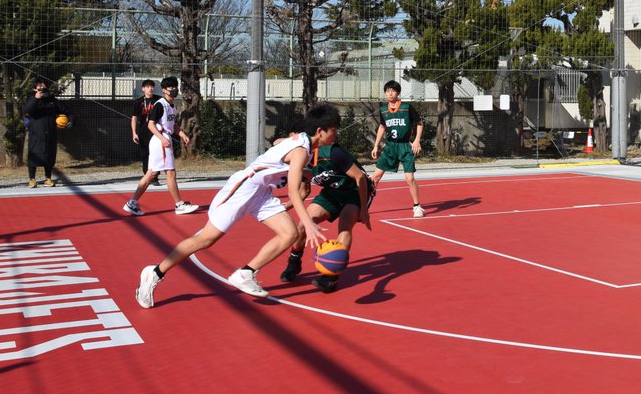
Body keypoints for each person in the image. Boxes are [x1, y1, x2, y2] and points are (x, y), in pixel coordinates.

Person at [135, 103, 336, 308]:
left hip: (261, 193)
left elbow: (279, 143)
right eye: (333, 130)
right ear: (320, 131)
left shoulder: (302, 141)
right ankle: (155, 273)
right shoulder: (301, 150)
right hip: (244, 188)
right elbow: (293, 190)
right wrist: (307, 222)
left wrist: (302, 171)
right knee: (206, 239)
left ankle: (246, 273)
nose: (336, 135)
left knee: (289, 234)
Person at [280, 141, 373, 293]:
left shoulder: (332, 153)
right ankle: (294, 262)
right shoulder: (299, 164)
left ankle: (332, 277)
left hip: (354, 192)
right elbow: (303, 192)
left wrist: (364, 210)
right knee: (303, 225)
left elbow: (360, 177)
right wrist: (284, 207)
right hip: (332, 192)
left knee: (345, 226)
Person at [123, 76, 199, 216]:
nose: (174, 89)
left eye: (175, 87)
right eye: (171, 87)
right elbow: (151, 125)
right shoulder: (160, 105)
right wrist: (162, 138)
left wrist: (182, 134)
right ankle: (179, 205)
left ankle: (132, 203)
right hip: (160, 141)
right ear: (164, 90)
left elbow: (173, 125)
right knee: (170, 172)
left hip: (163, 139)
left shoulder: (172, 106)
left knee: (151, 173)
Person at [370, 80, 425, 218]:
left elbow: (419, 123)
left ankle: (417, 206)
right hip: (390, 146)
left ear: (398, 93)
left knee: (409, 178)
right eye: (387, 91)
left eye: (393, 91)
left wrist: (417, 141)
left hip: (405, 146)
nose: (390, 93)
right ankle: (364, 205)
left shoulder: (406, 107)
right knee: (375, 177)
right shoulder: (383, 110)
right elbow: (382, 126)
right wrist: (376, 145)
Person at [24, 81, 66, 187]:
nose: (42, 87)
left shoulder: (52, 100)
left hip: (51, 132)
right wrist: (36, 98)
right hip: (36, 132)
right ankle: (32, 179)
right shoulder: (32, 98)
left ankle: (48, 178)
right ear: (35, 89)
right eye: (39, 86)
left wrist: (70, 119)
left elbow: (64, 110)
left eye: (43, 85)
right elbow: (28, 110)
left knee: (49, 156)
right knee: (34, 155)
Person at [130, 79, 160, 185]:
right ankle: (147, 175)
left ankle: (155, 177)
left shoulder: (159, 100)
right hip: (143, 132)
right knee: (145, 154)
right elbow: (134, 118)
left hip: (156, 131)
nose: (150, 89)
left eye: (151, 86)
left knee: (155, 154)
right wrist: (134, 133)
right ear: (143, 89)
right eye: (147, 87)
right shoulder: (138, 102)